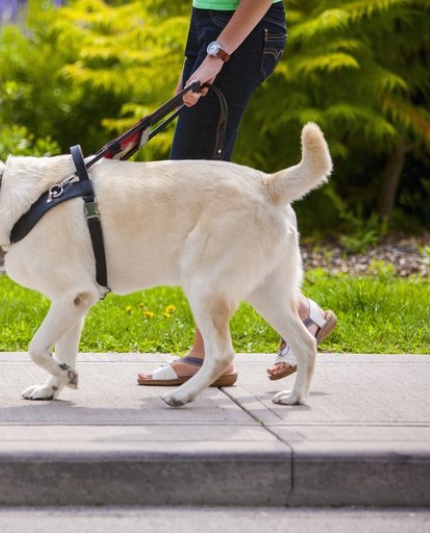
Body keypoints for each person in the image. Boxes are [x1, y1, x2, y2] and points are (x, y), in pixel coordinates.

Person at [137, 0, 337, 387]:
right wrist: (196, 56)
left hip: (241, 29)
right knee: (189, 192)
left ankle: (209, 355)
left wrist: (219, 52)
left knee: (200, 199)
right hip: (211, 27)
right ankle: (298, 313)